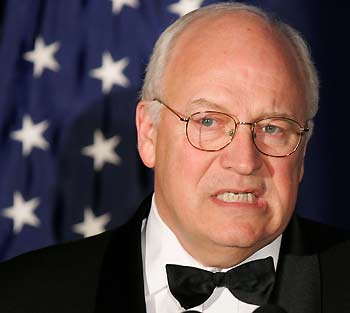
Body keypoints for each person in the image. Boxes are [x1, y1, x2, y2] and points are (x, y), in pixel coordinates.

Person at [0, 3, 349, 313]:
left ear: (303, 151)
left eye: (273, 128)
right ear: (149, 133)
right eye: (208, 121)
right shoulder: (20, 296)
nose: (244, 161)